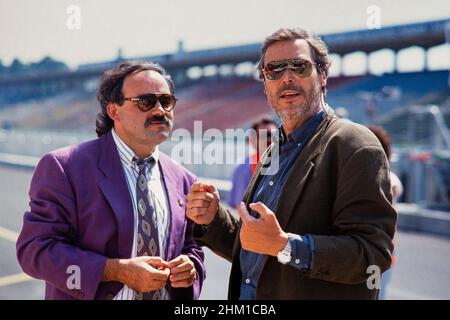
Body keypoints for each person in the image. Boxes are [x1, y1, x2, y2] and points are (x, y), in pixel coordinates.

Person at [186, 28, 397, 299]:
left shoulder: (353, 144)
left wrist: (285, 246)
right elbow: (257, 245)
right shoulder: (275, 148)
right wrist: (212, 219)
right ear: (265, 85)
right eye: (274, 70)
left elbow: (373, 255)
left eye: (299, 66)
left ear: (322, 76)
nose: (287, 77)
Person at [16, 61, 205, 300]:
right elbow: (36, 251)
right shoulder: (65, 167)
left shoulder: (184, 180)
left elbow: (192, 248)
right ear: (114, 111)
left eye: (166, 101)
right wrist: (116, 271)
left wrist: (189, 268)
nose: (159, 110)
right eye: (146, 102)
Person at [368, 125, 403, 300]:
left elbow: (393, 187)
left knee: (375, 292)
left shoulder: (388, 177)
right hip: (373, 247)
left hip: (379, 249)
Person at [227, 118, 277, 209]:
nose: (270, 139)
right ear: (252, 140)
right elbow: (241, 207)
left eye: (274, 135)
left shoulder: (288, 162)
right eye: (264, 135)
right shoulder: (243, 169)